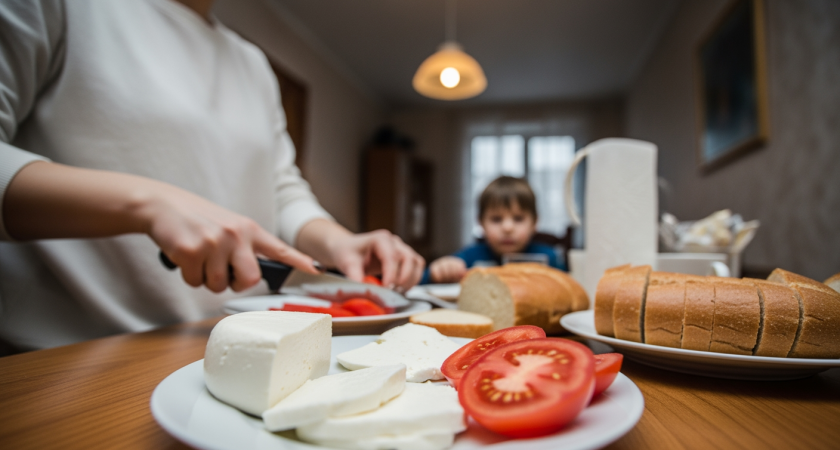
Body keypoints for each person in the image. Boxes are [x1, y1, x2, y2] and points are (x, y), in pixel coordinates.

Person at [0, 0, 424, 352]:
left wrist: (338, 241)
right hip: (69, 357)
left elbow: (280, 188)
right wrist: (148, 203)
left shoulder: (251, 63)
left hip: (239, 343)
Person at [421, 176, 565, 284]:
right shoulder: (470, 257)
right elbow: (422, 280)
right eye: (496, 219)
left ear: (535, 222)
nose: (507, 228)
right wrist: (438, 271)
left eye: (518, 219)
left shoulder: (550, 259)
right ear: (481, 223)